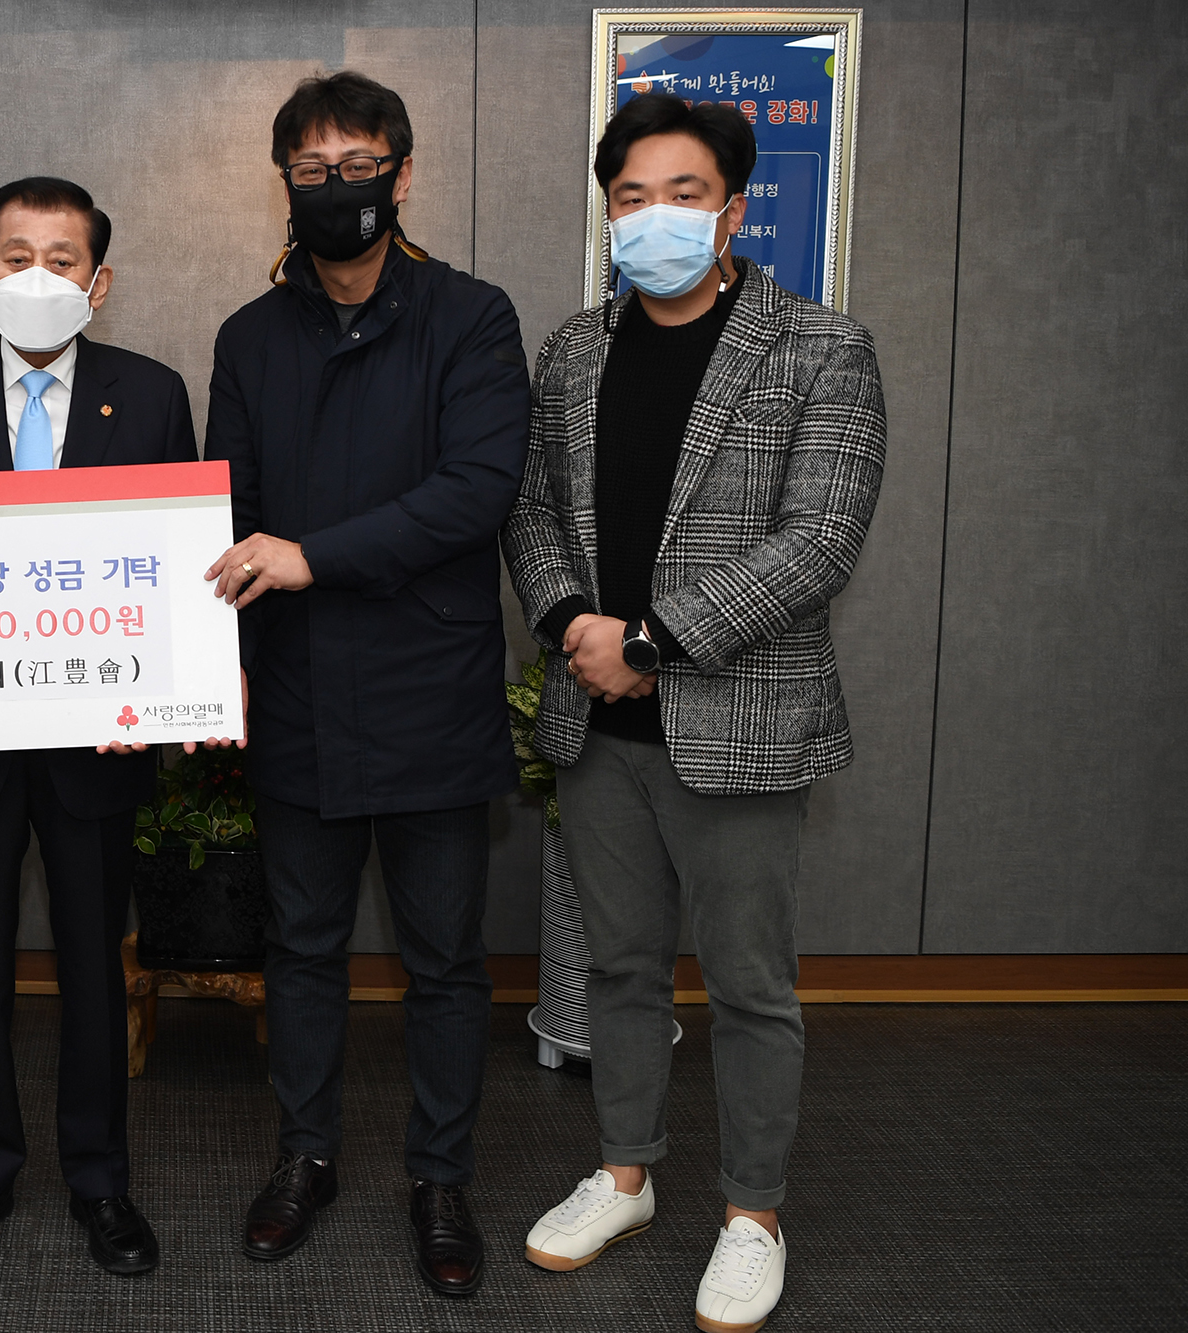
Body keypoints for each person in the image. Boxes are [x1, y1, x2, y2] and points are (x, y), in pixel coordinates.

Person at [503, 94, 887, 1333]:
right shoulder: (574, 349)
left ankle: (750, 1212)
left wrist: (650, 643)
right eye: (630, 196)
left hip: (738, 724)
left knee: (747, 984)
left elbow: (818, 539)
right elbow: (530, 510)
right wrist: (572, 623)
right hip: (597, 725)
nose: (654, 215)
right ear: (606, 214)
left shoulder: (818, 347)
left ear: (731, 209)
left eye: (682, 193)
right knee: (618, 966)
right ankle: (624, 1176)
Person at [199, 72, 531, 1298]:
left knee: (443, 958)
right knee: (301, 947)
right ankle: (306, 1156)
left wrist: (312, 556)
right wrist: (214, 671)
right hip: (295, 687)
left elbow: (474, 492)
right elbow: (226, 512)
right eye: (310, 169)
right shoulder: (249, 336)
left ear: (402, 172)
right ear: (282, 182)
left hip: (428, 689)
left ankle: (439, 1177)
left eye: (358, 164)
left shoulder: (470, 317)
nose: (335, 187)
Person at [0, 176, 198, 1278]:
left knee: (94, 966)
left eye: (63, 260)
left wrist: (156, 696)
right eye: (17, 257)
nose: (38, 276)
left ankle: (100, 1180)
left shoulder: (151, 394)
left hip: (98, 743)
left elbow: (173, 568)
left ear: (98, 284)